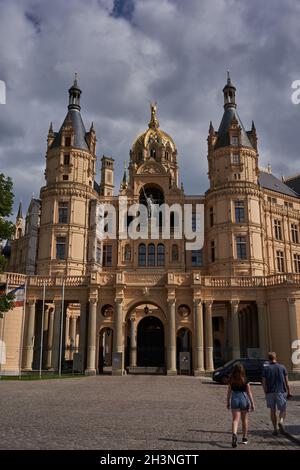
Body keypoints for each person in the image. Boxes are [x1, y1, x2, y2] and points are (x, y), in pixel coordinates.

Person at [262, 352, 292, 436]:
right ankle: (281, 421)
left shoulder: (266, 368)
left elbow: (263, 382)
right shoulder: (282, 367)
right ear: (276, 358)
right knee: (283, 409)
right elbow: (286, 382)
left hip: (270, 392)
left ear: (268, 359)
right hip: (280, 391)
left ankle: (275, 429)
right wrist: (289, 391)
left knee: (272, 410)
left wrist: (265, 392)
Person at [227, 362, 255, 448]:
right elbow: (249, 392)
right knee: (244, 420)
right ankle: (244, 438)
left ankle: (234, 434)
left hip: (234, 398)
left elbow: (229, 392)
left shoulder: (231, 379)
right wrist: (252, 403)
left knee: (235, 420)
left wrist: (228, 401)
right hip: (243, 398)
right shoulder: (245, 379)